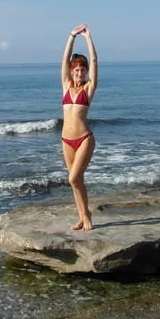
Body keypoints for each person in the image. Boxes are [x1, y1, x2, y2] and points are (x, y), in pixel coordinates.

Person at [61, 23, 97, 230]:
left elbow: (94, 60)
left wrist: (88, 38)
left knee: (73, 178)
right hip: (66, 140)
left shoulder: (89, 88)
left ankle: (87, 215)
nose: (79, 73)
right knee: (77, 181)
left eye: (82, 70)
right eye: (76, 69)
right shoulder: (66, 85)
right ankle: (83, 216)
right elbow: (64, 61)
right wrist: (72, 36)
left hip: (84, 139)